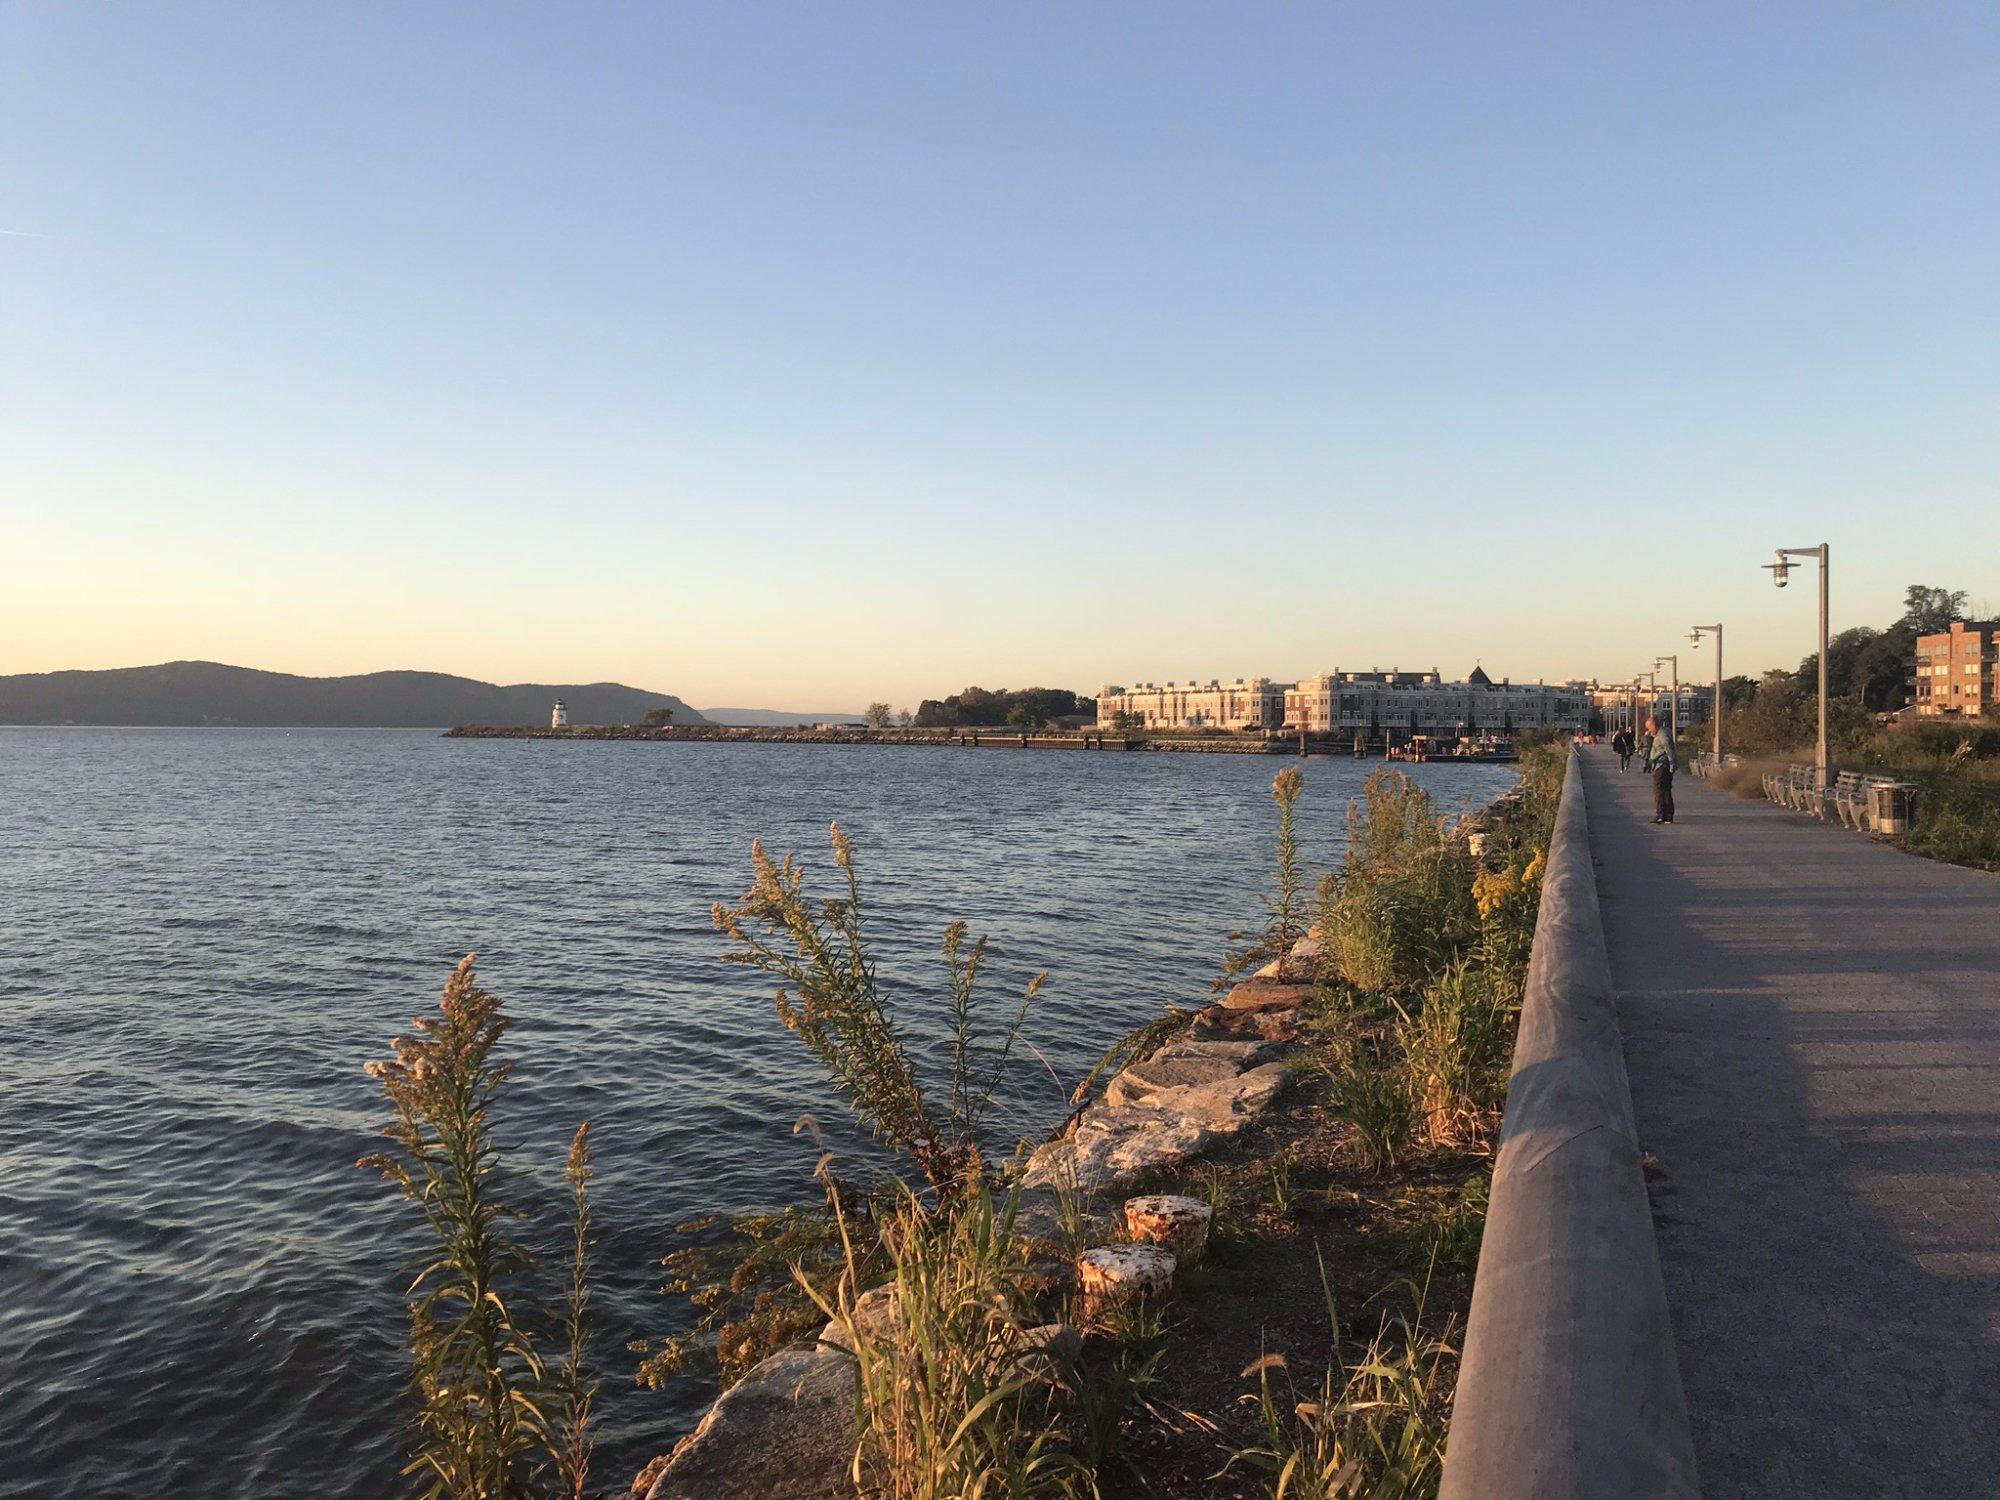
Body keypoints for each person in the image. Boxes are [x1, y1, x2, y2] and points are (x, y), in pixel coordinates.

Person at [1645, 714, 1676, 824]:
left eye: (1649, 727)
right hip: (1663, 765)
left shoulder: (1662, 734)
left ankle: (1661, 814)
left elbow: (1668, 747)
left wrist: (1672, 763)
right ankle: (1668, 815)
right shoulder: (1663, 732)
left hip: (1662, 766)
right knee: (1666, 790)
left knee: (1659, 790)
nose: (1648, 730)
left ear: (1654, 725)